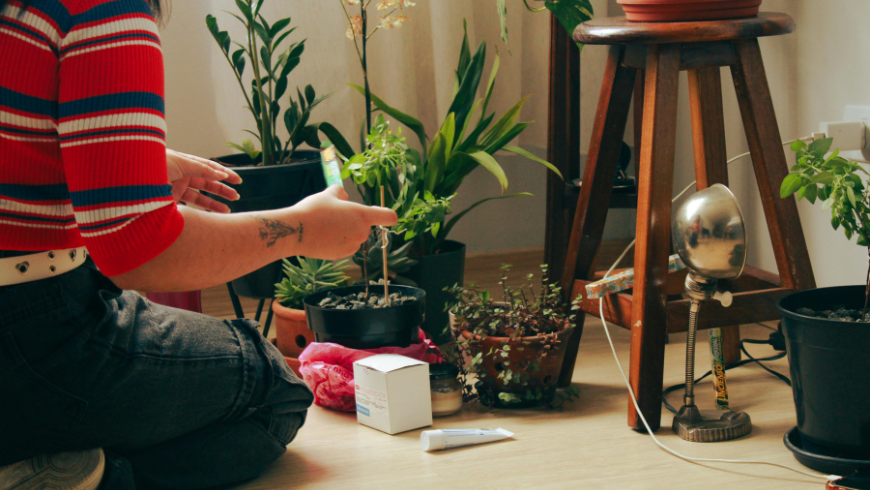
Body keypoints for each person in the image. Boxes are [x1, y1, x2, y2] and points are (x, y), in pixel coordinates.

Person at [0, 0, 397, 488]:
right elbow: (142, 252)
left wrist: (125, 157)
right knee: (271, 390)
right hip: (29, 332)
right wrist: (302, 229)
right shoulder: (98, 7)